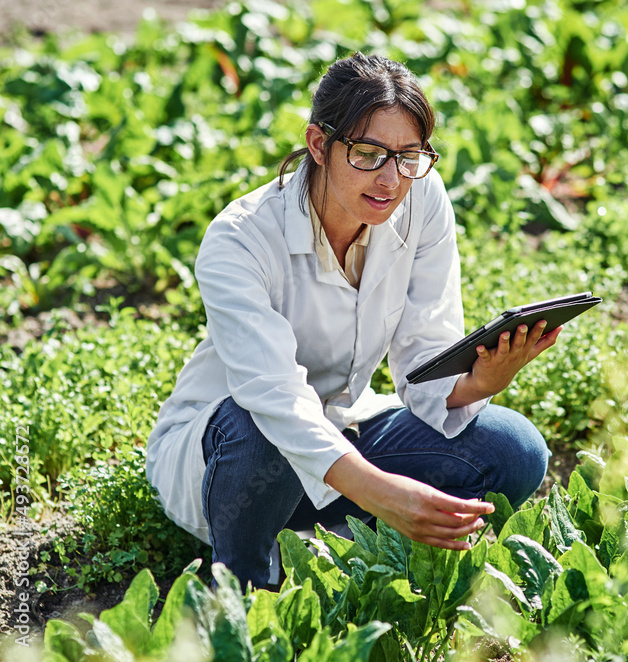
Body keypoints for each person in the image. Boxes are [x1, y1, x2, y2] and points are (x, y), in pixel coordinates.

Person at [146, 53, 561, 590]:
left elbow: (424, 354)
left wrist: (484, 379)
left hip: (344, 429)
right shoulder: (241, 238)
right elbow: (275, 397)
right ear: (319, 145)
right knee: (263, 426)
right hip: (229, 457)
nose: (391, 179)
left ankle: (350, 547)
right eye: (368, 154)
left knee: (514, 449)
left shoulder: (421, 199)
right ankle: (244, 584)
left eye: (410, 156)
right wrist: (385, 492)